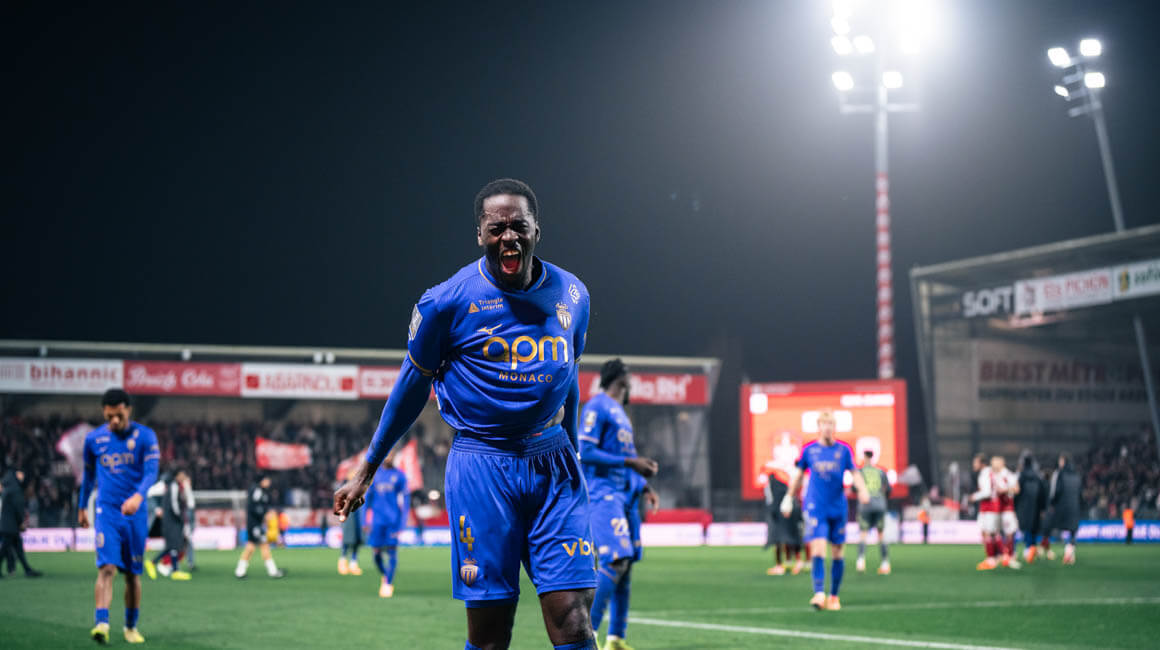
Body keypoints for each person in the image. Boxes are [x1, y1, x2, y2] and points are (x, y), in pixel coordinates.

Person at [333, 178, 596, 650]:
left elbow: (568, 379)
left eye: (519, 226)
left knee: (573, 620)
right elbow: (409, 390)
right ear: (480, 235)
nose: (509, 237)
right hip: (483, 466)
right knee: (491, 634)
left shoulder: (573, 295)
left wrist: (574, 452)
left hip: (553, 463)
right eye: (497, 229)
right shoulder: (446, 302)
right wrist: (367, 469)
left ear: (537, 230)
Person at [579, 358, 659, 650]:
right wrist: (631, 462)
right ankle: (587, 635)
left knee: (626, 565)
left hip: (626, 494)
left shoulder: (621, 413)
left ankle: (616, 639)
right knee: (615, 560)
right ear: (622, 379)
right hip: (603, 493)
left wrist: (644, 485)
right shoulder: (597, 406)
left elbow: (627, 457)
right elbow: (586, 451)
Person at [77, 388, 160, 644]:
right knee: (106, 568)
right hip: (107, 512)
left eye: (119, 416)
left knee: (132, 574)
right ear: (104, 413)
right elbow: (88, 476)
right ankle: (101, 623)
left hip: (135, 514)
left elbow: (151, 472)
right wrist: (82, 506)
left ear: (128, 410)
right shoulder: (93, 440)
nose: (114, 421)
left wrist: (138, 496)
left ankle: (130, 627)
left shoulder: (146, 436)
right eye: (109, 416)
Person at [781, 409, 870, 611]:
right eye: (824, 424)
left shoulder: (844, 451)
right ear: (819, 427)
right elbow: (798, 476)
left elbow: (855, 474)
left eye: (831, 424)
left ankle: (834, 596)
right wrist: (788, 497)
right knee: (818, 548)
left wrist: (863, 490)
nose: (828, 428)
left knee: (838, 552)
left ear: (834, 427)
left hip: (838, 507)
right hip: (815, 506)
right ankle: (819, 593)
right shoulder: (809, 450)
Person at [365, 453, 409, 598]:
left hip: (393, 521)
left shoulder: (400, 475)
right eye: (387, 455)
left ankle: (388, 583)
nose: (388, 458)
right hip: (377, 522)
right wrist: (365, 521)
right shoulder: (375, 475)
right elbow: (367, 499)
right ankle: (385, 575)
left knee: (392, 552)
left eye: (391, 456)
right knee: (376, 555)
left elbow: (406, 501)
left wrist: (402, 523)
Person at [145, 469, 192, 581]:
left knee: (172, 546)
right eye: (182, 475)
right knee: (174, 545)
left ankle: (163, 566)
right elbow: (175, 505)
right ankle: (164, 566)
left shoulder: (176, 486)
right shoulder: (173, 486)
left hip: (171, 520)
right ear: (177, 475)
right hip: (172, 521)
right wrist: (180, 517)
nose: (184, 477)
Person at [234, 475, 284, 579]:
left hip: (256, 524)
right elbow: (253, 506)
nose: (268, 482)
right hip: (254, 524)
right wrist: (264, 514)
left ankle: (240, 570)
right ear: (262, 480)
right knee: (260, 545)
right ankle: (272, 571)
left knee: (253, 546)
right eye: (267, 480)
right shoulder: (257, 490)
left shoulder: (263, 492)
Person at [0, 468, 42, 578]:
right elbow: (18, 509)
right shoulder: (16, 490)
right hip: (11, 526)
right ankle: (27, 570)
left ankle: (27, 570)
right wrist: (21, 522)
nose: (22, 476)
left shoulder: (7, 489)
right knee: (5, 550)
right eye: (19, 474)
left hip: (7, 525)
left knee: (17, 549)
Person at [855, 450, 892, 575]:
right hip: (880, 505)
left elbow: (854, 488)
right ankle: (885, 563)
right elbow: (889, 489)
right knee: (881, 534)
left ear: (864, 458)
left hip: (865, 505)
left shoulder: (860, 472)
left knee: (863, 534)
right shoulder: (881, 471)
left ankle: (860, 561)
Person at [1042, 454, 1082, 565]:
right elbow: (1080, 493)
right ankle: (1070, 550)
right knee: (1073, 530)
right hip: (1074, 506)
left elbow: (1055, 491)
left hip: (1061, 506)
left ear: (1063, 462)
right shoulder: (1077, 475)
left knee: (1050, 526)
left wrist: (1051, 503)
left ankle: (1044, 548)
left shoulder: (1059, 474)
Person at [1015, 451, 1046, 564]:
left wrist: (1015, 505)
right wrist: (1043, 508)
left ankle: (1028, 549)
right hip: (1036, 507)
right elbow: (1043, 493)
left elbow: (1017, 492)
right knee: (1034, 528)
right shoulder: (1038, 476)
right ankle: (1032, 548)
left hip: (1023, 507)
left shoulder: (1021, 476)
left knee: (1026, 528)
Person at [337, 468, 365, 576]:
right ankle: (343, 561)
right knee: (348, 539)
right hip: (349, 517)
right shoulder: (344, 489)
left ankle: (353, 563)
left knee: (357, 540)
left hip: (358, 517)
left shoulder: (361, 489)